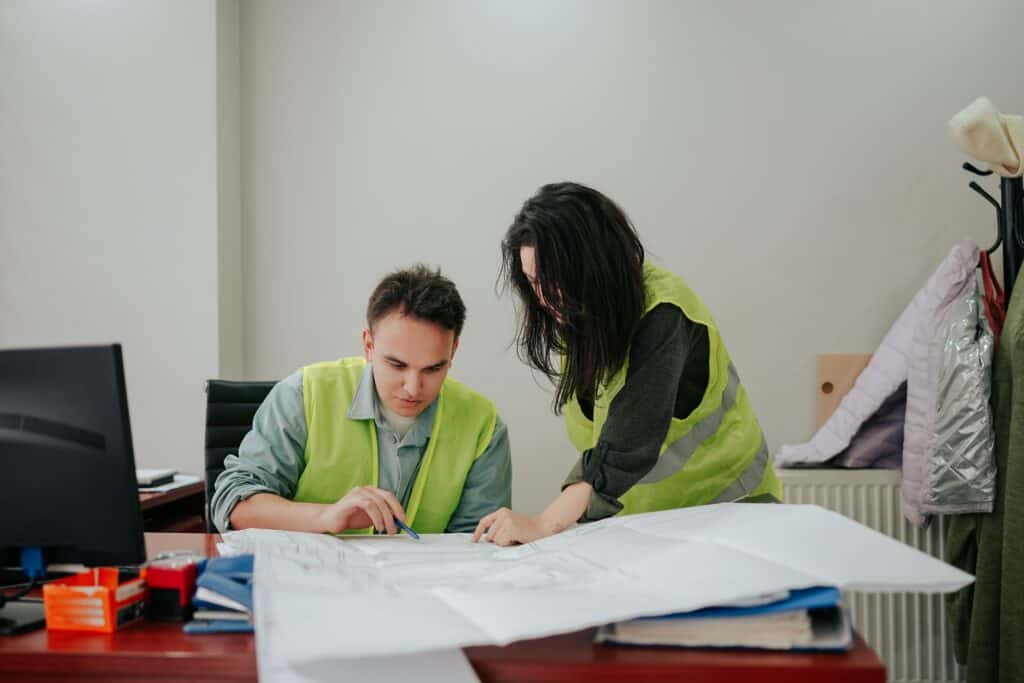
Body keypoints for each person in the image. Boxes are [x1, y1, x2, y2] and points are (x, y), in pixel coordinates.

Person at [473, 182, 780, 546]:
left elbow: (624, 446)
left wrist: (543, 523)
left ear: (595, 264)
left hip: (730, 513)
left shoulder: (664, 314)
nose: (544, 298)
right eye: (535, 282)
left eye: (557, 280)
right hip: (659, 525)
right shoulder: (584, 320)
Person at [212, 264, 511, 536]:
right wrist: (324, 516)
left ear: (453, 350)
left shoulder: (483, 424)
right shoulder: (304, 394)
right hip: (311, 583)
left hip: (420, 589)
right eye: (396, 365)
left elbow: (474, 544)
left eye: (433, 369)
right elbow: (233, 504)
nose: (412, 388)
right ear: (368, 345)